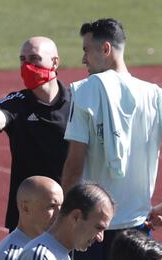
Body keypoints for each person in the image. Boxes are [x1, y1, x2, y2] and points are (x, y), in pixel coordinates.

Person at [61, 18, 162, 260]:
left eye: (86, 50)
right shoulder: (155, 95)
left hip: (92, 228)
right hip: (138, 227)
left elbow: (75, 164)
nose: (83, 59)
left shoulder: (86, 90)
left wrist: (63, 216)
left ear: (105, 49)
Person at [0, 33, 71, 233]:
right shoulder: (17, 103)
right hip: (27, 217)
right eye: (22, 60)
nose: (27, 66)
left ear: (55, 62)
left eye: (34, 59)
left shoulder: (78, 102)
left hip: (68, 214)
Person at [18, 183, 115, 260]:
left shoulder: (58, 253)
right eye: (98, 228)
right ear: (76, 217)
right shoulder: (40, 256)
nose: (100, 238)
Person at [0, 176, 63, 260]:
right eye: (52, 206)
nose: (59, 215)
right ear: (26, 208)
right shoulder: (10, 256)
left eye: (62, 207)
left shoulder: (56, 247)